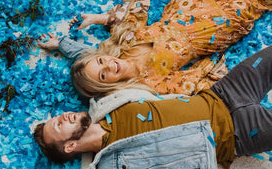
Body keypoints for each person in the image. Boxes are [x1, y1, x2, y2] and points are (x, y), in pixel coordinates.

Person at [38, 0, 272, 98]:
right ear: (106, 86)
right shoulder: (148, 82)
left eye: (101, 61)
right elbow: (187, 84)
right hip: (208, 30)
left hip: (184, 8)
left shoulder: (121, 46)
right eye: (103, 75)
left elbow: (127, 19)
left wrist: (89, 23)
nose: (109, 65)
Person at [34, 45, 272, 168]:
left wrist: (62, 44)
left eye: (58, 117)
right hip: (237, 134)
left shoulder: (104, 104)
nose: (63, 115)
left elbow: (92, 65)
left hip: (222, 93)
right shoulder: (112, 164)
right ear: (70, 146)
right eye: (58, 124)